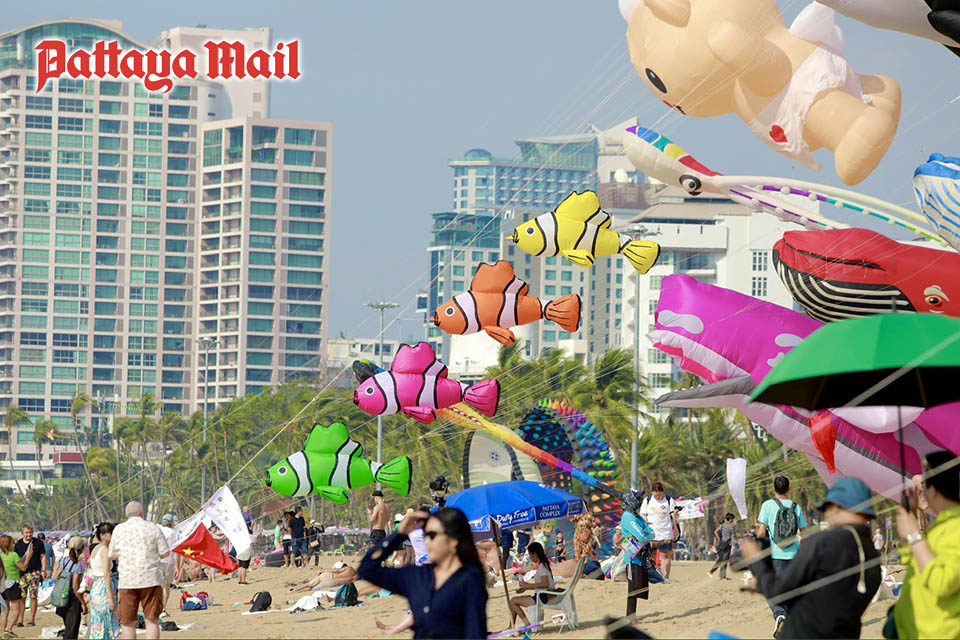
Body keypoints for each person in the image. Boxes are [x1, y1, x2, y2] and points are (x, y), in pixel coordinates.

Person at [742, 477, 881, 639]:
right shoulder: (873, 557)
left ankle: (780, 615)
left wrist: (757, 562)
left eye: (827, 508)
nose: (827, 514)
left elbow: (778, 590)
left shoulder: (821, 543)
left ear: (837, 507)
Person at [359, 507, 488, 638]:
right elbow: (367, 569)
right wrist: (399, 534)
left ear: (453, 539)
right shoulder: (418, 576)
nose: (426, 541)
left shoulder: (469, 579)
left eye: (431, 535)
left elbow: (475, 632)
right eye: (425, 535)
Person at [891, 450, 960, 639]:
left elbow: (942, 582)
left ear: (934, 491)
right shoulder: (942, 525)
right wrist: (910, 520)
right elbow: (915, 562)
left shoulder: (955, 527)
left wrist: (914, 534)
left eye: (924, 488)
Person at [757, 475, 809, 637]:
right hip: (794, 555)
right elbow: (804, 532)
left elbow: (761, 532)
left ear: (774, 489)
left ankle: (780, 615)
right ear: (789, 489)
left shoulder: (767, 505)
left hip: (774, 556)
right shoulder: (795, 506)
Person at [109, 501, 170, 640]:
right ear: (141, 513)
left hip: (127, 580)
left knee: (127, 623)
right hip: (150, 578)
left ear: (127, 514)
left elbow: (111, 554)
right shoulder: (152, 527)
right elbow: (165, 552)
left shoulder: (119, 529)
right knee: (152, 620)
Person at [617, 491, 652, 619]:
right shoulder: (628, 517)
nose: (640, 500)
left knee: (638, 588)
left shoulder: (637, 516)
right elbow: (642, 536)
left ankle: (632, 616)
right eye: (637, 498)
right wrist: (646, 534)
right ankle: (630, 617)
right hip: (632, 558)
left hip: (640, 557)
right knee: (632, 589)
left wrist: (647, 533)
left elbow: (651, 532)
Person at [508, 542, 556, 627]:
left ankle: (526, 624)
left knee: (513, 601)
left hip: (542, 597)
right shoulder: (544, 564)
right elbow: (543, 585)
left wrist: (528, 585)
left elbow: (545, 584)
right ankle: (512, 626)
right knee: (514, 600)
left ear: (535, 554)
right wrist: (527, 587)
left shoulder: (542, 566)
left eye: (530, 555)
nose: (530, 558)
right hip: (544, 595)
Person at [639, 482, 676, 583]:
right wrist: (645, 524)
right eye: (656, 495)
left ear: (663, 492)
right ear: (652, 493)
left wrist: (676, 514)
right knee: (651, 555)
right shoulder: (647, 500)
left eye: (660, 495)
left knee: (665, 555)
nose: (658, 497)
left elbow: (674, 517)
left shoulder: (669, 500)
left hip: (665, 533)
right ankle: (653, 577)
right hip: (651, 533)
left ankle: (665, 577)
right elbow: (643, 514)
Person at [89, 523, 120, 640]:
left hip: (96, 587)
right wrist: (111, 598)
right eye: (110, 533)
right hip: (104, 589)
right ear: (102, 535)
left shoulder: (95, 548)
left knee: (98, 625)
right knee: (107, 625)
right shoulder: (104, 550)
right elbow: (106, 574)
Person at [53, 536, 88, 639]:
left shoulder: (64, 561)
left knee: (68, 627)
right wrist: (83, 602)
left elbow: (56, 577)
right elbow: (75, 585)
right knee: (72, 630)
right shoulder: (78, 565)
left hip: (63, 596)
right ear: (81, 548)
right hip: (72, 599)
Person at [0, 534, 32, 639]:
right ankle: (8, 629)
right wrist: (28, 558)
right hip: (13, 584)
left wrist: (25, 555)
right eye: (12, 543)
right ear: (9, 545)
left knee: (5, 611)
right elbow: (23, 567)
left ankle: (3, 633)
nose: (14, 545)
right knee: (16, 611)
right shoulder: (13, 555)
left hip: (3, 585)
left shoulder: (1, 556)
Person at [708, 513, 737, 580]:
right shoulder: (731, 526)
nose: (733, 520)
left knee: (722, 560)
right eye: (732, 519)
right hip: (727, 545)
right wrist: (745, 535)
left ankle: (721, 575)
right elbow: (735, 537)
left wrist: (719, 539)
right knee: (724, 560)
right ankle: (714, 572)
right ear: (730, 519)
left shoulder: (722, 525)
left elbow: (715, 532)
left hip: (721, 544)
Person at [158, 514, 176, 613]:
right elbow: (176, 549)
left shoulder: (158, 530)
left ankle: (159, 608)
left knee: (159, 586)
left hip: (158, 560)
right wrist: (178, 566)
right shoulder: (173, 533)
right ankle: (163, 608)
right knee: (166, 586)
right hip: (169, 561)